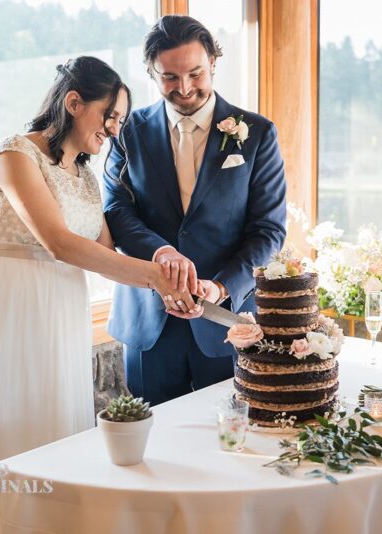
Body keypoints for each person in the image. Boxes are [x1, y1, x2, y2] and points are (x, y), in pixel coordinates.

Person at [0, 57, 190, 534]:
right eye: (109, 117)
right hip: (9, 308)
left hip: (61, 312)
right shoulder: (15, 155)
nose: (114, 131)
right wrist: (155, 276)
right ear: (74, 103)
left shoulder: (85, 175)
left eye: (119, 121)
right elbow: (58, 243)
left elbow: (103, 252)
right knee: (9, 428)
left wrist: (168, 288)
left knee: (54, 429)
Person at [104, 15, 287, 405]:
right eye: (169, 77)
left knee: (230, 438)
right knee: (151, 447)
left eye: (195, 73)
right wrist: (161, 258)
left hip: (225, 321)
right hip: (148, 319)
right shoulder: (129, 131)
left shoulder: (257, 133)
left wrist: (222, 287)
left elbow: (268, 230)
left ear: (214, 64)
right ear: (152, 73)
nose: (184, 88)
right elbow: (116, 211)